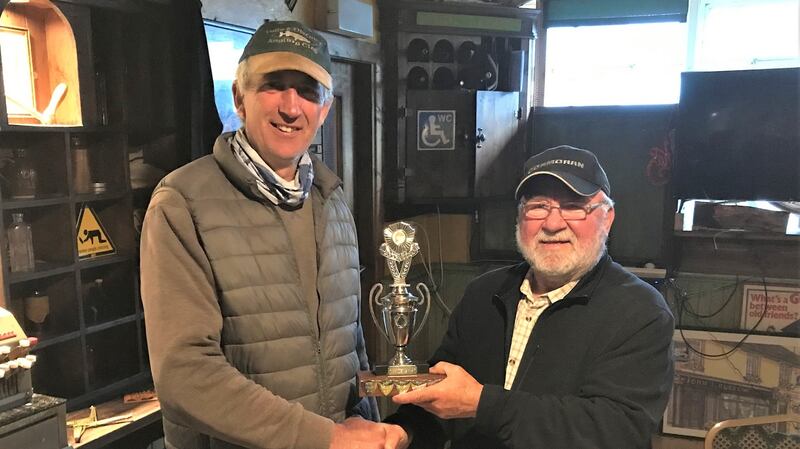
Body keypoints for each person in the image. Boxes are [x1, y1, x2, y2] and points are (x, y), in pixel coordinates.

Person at [140, 20, 408, 449]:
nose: (290, 106)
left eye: (308, 91)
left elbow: (350, 350)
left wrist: (367, 426)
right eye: (273, 85)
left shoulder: (333, 200)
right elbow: (185, 375)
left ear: (325, 109)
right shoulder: (182, 202)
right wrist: (326, 438)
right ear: (239, 98)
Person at [389, 145, 675, 449]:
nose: (552, 224)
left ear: (607, 217)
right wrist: (404, 430)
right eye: (538, 206)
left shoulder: (640, 312)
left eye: (573, 206)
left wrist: (483, 404)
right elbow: (443, 391)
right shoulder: (484, 294)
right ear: (520, 218)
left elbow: (615, 431)